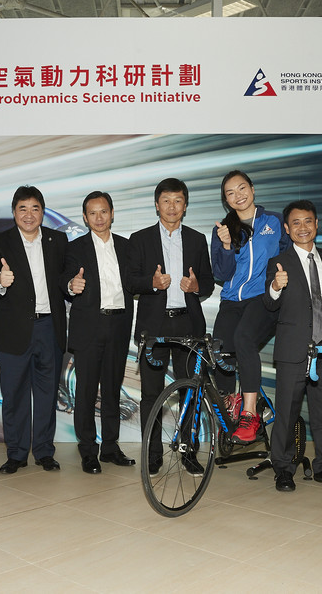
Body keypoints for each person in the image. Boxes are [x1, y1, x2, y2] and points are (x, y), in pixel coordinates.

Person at [128, 178, 214, 477]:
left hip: (188, 324)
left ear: (185, 205)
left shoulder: (197, 238)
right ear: (156, 204)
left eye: (178, 200)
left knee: (191, 390)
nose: (172, 206)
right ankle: (152, 455)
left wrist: (196, 286)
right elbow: (131, 281)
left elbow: (208, 281)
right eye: (166, 200)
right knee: (151, 394)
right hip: (154, 325)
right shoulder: (139, 239)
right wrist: (151, 284)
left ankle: (188, 451)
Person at [0, 185, 67, 474]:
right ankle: (16, 453)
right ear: (14, 211)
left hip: (49, 328)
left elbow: (66, 280)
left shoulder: (58, 240)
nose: (29, 215)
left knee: (46, 395)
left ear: (42, 212)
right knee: (14, 395)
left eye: (35, 208)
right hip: (13, 330)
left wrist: (71, 286)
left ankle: (44, 451)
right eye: (22, 208)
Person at [264, 200, 322, 492]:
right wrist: (275, 286)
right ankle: (283, 469)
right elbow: (269, 305)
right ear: (286, 228)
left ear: (317, 224)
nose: (302, 227)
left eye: (308, 221)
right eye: (295, 223)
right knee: (287, 412)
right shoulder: (279, 263)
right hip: (293, 350)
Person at [210, 170, 289, 444]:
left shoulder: (275, 221)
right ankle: (229, 409)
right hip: (232, 300)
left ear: (252, 189)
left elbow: (288, 257)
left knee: (244, 338)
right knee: (219, 351)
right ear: (226, 200)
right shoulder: (222, 228)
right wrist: (227, 244)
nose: (238, 196)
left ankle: (250, 412)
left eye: (242, 188)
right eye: (230, 193)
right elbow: (221, 272)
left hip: (263, 298)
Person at [60, 191, 135, 474]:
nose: (99, 218)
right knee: (87, 392)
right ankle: (88, 450)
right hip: (89, 327)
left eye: (103, 211)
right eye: (92, 213)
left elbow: (136, 281)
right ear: (85, 217)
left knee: (113, 390)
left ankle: (111, 447)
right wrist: (71, 285)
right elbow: (64, 278)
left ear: (112, 213)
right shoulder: (75, 248)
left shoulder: (128, 247)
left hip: (118, 325)